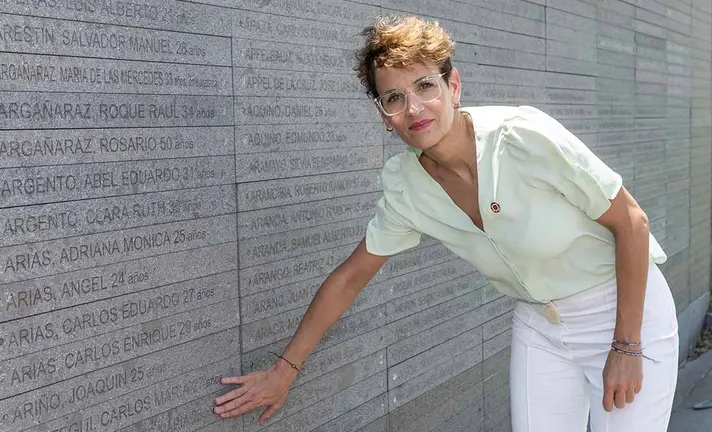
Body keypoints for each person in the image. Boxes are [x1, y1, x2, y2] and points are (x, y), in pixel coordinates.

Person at [213, 15, 679, 432]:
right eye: (394, 97)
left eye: (425, 87)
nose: (414, 109)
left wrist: (627, 346)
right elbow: (351, 276)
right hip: (541, 323)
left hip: (624, 311)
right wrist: (284, 371)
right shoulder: (406, 186)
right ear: (383, 115)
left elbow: (632, 222)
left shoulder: (523, 136)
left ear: (452, 85)